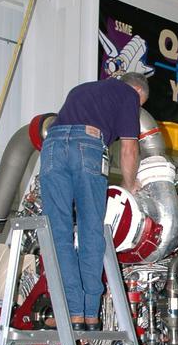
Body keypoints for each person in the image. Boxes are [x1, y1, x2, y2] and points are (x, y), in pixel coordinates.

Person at [40, 71, 149, 330]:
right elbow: (129, 147)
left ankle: (72, 312)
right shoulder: (128, 95)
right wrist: (130, 184)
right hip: (87, 146)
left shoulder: (82, 89)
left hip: (52, 147)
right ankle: (90, 314)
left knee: (59, 235)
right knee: (91, 231)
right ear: (137, 92)